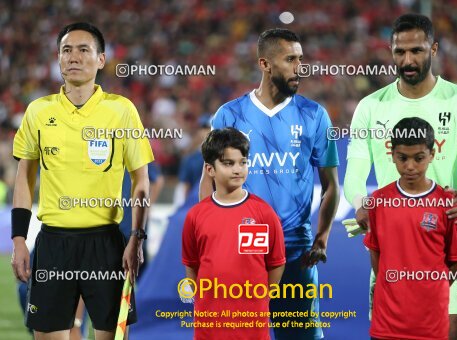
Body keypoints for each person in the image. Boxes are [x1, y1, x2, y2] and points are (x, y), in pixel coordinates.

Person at [344, 13, 457, 339]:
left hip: (449, 243)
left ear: (434, 49)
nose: (408, 60)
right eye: (400, 52)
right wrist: (361, 203)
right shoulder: (370, 107)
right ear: (391, 52)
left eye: (417, 51)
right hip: (393, 249)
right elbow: (353, 174)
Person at [10, 22, 154, 340]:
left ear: (101, 60)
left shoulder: (121, 111)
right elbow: (25, 175)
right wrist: (19, 239)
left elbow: (140, 180)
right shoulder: (38, 111)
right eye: (66, 50)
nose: (73, 56)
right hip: (52, 245)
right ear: (58, 59)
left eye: (83, 49)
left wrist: (137, 236)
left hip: (106, 245)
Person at [199, 28, 340, 340]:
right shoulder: (229, 114)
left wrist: (323, 236)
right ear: (265, 64)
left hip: (295, 252)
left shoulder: (315, 115)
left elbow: (331, 185)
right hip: (240, 252)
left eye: (301, 59)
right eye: (290, 59)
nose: (299, 67)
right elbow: (208, 182)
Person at [364, 117, 457, 339]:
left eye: (418, 158)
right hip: (386, 326)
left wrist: (430, 289)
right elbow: (377, 256)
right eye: (403, 158)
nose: (410, 166)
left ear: (432, 154)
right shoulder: (378, 201)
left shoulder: (448, 203)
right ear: (392, 155)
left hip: (431, 327)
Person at [182, 127, 286, 340]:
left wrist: (261, 299)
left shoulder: (264, 213)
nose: (238, 169)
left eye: (243, 162)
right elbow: (191, 265)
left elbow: (276, 263)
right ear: (210, 169)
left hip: (252, 326)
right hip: (209, 325)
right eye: (228, 163)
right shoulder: (196, 216)